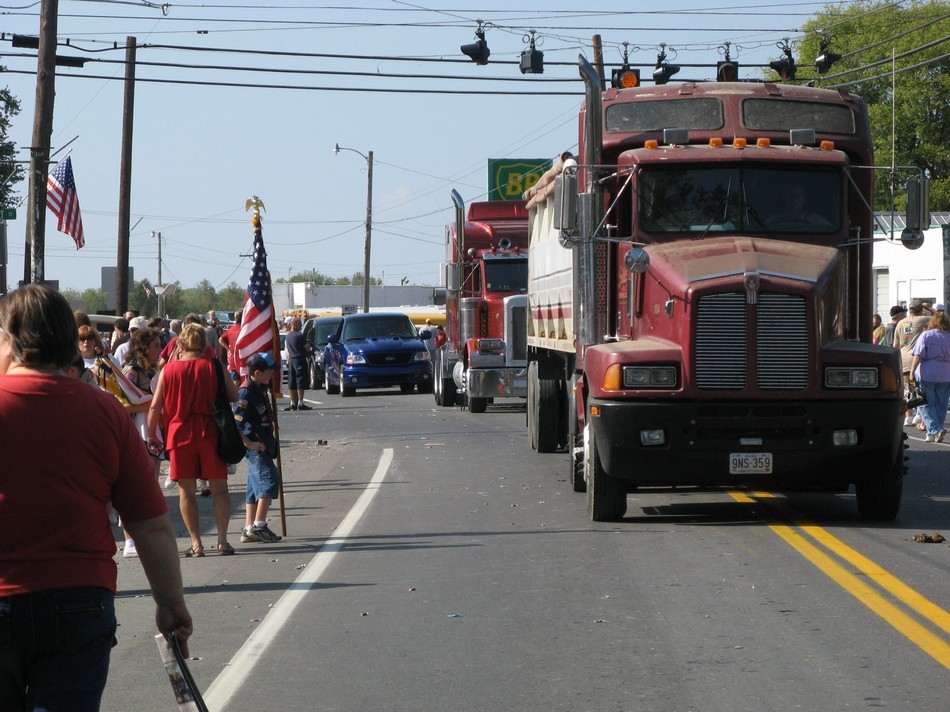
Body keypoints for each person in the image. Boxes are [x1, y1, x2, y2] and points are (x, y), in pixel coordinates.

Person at [0, 285, 192, 710]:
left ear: (10, 341)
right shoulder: (105, 411)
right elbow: (149, 524)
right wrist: (170, 602)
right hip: (80, 600)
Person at [147, 323, 238, 557]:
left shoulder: (169, 370)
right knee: (219, 489)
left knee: (186, 491)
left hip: (178, 433)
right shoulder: (214, 366)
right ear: (203, 343)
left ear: (182, 342)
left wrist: (150, 435)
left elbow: (155, 406)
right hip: (210, 432)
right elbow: (233, 395)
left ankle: (196, 544)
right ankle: (222, 541)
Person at [233, 352, 283, 544]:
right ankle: (259, 525)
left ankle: (248, 528)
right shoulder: (245, 392)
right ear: (257, 372)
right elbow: (236, 423)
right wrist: (249, 443)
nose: (272, 375)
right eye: (269, 372)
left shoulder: (259, 388)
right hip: (257, 446)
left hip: (264, 443)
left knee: (254, 488)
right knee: (269, 481)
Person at [909, 311, 950, 443]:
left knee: (925, 403)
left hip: (927, 373)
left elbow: (918, 355)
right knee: (941, 404)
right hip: (945, 374)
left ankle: (935, 430)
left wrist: (911, 372)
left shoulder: (926, 335)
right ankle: (933, 432)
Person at [895, 300, 932, 428]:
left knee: (907, 388)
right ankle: (919, 415)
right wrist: (930, 308)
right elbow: (940, 319)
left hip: (903, 356)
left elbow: (896, 344)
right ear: (920, 310)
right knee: (919, 388)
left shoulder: (901, 323)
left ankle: (908, 416)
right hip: (916, 358)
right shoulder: (921, 319)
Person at [766, 184, 833, 229]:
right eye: (790, 196)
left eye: (798, 196)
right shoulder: (773, 221)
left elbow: (831, 229)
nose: (794, 200)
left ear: (804, 198)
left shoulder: (817, 221)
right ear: (784, 199)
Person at [283, 316, 311, 411]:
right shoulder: (299, 335)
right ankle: (300, 403)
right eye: (299, 323)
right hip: (299, 359)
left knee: (291, 382)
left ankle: (292, 403)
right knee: (300, 382)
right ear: (294, 324)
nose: (300, 325)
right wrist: (308, 347)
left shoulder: (288, 336)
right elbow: (307, 347)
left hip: (291, 360)